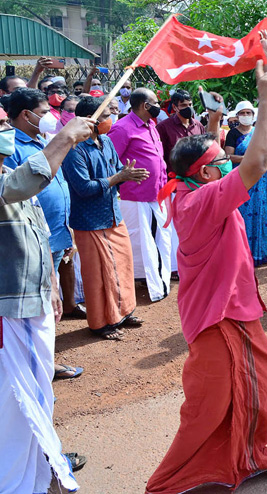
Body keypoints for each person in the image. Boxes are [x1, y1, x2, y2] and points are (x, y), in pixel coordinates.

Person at [147, 37, 267, 493]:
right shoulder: (199, 202)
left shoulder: (194, 191)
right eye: (218, 161)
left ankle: (250, 455)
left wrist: (265, 59)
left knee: (259, 380)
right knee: (210, 400)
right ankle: (172, 478)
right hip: (217, 314)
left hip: (229, 307)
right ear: (207, 172)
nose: (224, 162)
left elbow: (226, 156)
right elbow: (257, 161)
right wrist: (266, 101)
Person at [0, 107, 95, 494]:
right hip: (8, 312)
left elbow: (35, 230)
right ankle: (17, 480)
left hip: (31, 302)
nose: (7, 129)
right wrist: (65, 138)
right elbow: (19, 187)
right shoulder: (12, 178)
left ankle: (42, 457)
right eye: (1, 124)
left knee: (36, 390)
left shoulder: (7, 170)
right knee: (14, 399)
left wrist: (52, 284)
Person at [6, 89, 89, 362]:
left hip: (56, 228)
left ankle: (47, 359)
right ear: (25, 115)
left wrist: (68, 230)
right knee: (42, 304)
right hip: (34, 236)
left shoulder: (45, 140)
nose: (49, 118)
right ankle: (44, 362)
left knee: (54, 300)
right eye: (43, 113)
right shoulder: (10, 147)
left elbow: (60, 186)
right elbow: (22, 190)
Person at [62, 95, 148, 340]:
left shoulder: (107, 141)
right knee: (98, 275)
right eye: (107, 116)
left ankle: (123, 312)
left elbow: (117, 168)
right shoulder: (74, 150)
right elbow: (83, 188)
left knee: (122, 265)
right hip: (89, 221)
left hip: (113, 215)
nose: (111, 119)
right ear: (91, 120)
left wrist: (127, 174)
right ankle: (100, 324)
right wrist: (118, 179)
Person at [108, 87, 174, 302]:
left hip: (157, 195)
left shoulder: (151, 125)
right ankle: (154, 285)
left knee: (157, 240)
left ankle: (154, 280)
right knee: (144, 242)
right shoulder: (122, 128)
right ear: (146, 105)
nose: (158, 106)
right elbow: (109, 162)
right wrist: (123, 176)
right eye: (155, 102)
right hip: (135, 196)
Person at [225, 100, 267, 265]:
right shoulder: (233, 134)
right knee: (242, 214)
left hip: (260, 179)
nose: (245, 116)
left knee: (260, 212)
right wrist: (247, 160)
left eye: (248, 113)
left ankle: (260, 252)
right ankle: (242, 254)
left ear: (254, 115)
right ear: (237, 115)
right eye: (242, 113)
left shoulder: (259, 131)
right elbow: (228, 156)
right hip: (242, 178)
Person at [156, 89, 206, 164]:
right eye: (183, 105)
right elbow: (159, 155)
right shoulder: (163, 127)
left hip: (196, 173)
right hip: (174, 174)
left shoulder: (198, 126)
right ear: (174, 107)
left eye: (190, 104)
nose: (188, 108)